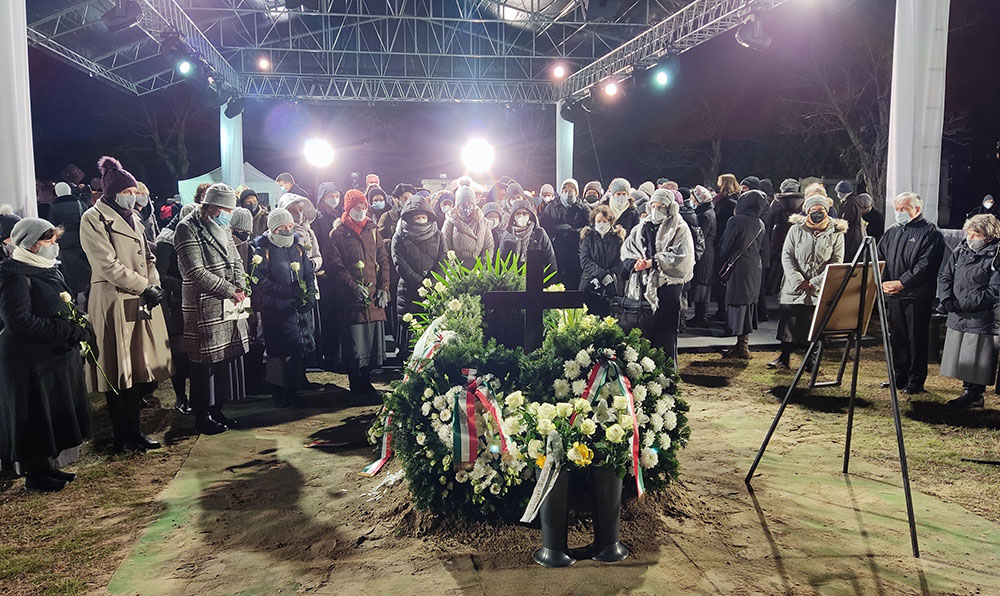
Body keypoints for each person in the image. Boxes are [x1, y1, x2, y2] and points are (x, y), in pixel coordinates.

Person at [80, 156, 172, 452]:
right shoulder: (92, 219)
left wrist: (152, 283)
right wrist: (144, 285)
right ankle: (123, 435)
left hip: (139, 299)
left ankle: (135, 431)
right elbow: (107, 264)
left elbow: (149, 256)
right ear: (112, 192)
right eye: (128, 192)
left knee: (139, 370)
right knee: (119, 372)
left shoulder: (134, 219)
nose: (132, 197)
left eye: (134, 193)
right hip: (114, 300)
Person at [0, 218, 91, 492]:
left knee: (50, 412)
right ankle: (36, 475)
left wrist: (78, 324)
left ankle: (49, 468)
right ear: (30, 244)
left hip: (50, 357)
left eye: (55, 239)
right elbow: (19, 322)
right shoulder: (14, 275)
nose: (54, 246)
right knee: (35, 414)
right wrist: (63, 329)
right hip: (28, 360)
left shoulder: (48, 268)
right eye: (47, 241)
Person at [174, 184, 249, 434]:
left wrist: (240, 284)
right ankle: (202, 414)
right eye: (226, 208)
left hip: (227, 304)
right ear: (213, 206)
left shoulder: (223, 226)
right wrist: (229, 289)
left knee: (222, 360)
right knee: (202, 364)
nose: (228, 213)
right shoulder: (187, 227)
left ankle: (217, 409)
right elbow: (194, 271)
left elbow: (236, 258)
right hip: (203, 305)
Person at [878, 192, 946, 394]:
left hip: (917, 295)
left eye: (904, 209)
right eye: (897, 209)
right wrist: (884, 282)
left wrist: (902, 282)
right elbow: (880, 257)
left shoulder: (930, 233)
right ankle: (899, 377)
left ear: (917, 209)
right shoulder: (892, 232)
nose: (899, 213)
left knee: (916, 338)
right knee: (897, 337)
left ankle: (916, 381)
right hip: (894, 295)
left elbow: (925, 266)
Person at [768, 195, 846, 370]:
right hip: (795, 286)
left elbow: (836, 261)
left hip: (819, 288)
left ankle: (811, 361)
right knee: (789, 323)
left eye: (821, 210)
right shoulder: (796, 229)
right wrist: (798, 279)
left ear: (827, 212)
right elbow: (787, 255)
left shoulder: (836, 232)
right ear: (807, 211)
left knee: (815, 326)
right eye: (813, 210)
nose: (817, 214)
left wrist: (815, 282)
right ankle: (784, 357)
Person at [325, 189, 391, 394]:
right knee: (355, 345)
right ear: (347, 209)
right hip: (351, 299)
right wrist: (353, 287)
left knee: (371, 344)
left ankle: (366, 381)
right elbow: (335, 265)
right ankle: (357, 385)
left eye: (363, 207)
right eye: (356, 208)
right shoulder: (338, 234)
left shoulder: (373, 231)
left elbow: (383, 261)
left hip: (373, 298)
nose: (360, 211)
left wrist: (384, 288)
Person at [620, 190, 695, 364]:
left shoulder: (680, 228)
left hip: (668, 287)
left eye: (661, 206)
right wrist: (635, 263)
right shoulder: (641, 228)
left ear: (670, 208)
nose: (656, 210)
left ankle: (666, 373)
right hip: (643, 287)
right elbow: (627, 251)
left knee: (665, 334)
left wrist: (654, 262)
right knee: (644, 332)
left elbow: (683, 256)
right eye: (653, 206)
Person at [252, 207, 316, 408]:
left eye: (290, 226)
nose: (288, 230)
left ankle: (294, 389)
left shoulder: (297, 247)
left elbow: (308, 273)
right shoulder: (264, 250)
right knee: (278, 352)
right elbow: (260, 280)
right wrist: (286, 291)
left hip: (296, 309)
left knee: (297, 350)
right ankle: (278, 391)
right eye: (282, 227)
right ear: (273, 228)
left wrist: (310, 295)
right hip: (275, 310)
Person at [938, 214, 1000, 408]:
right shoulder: (961, 249)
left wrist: (966, 303)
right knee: (961, 353)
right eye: (969, 233)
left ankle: (975, 394)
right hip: (958, 312)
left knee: (977, 354)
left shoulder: (996, 254)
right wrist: (947, 299)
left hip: (981, 315)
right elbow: (946, 275)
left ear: (988, 235)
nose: (971, 237)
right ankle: (966, 390)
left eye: (976, 233)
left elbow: (995, 289)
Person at [154, 203, 197, 414]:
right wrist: (185, 284)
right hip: (176, 303)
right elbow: (159, 276)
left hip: (195, 300)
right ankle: (181, 396)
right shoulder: (166, 242)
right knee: (179, 352)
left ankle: (198, 394)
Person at [392, 195, 446, 360]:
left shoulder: (437, 234)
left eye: (424, 217)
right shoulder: (400, 236)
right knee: (410, 328)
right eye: (417, 217)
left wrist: (433, 282)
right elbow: (399, 262)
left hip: (433, 290)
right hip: (408, 290)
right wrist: (419, 282)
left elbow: (443, 259)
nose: (421, 220)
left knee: (430, 329)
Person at [718, 190, 769, 359]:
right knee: (747, 305)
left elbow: (726, 244)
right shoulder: (760, 222)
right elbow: (764, 248)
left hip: (739, 267)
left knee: (738, 303)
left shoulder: (736, 220)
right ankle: (742, 344)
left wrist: (721, 260)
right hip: (754, 267)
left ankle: (741, 347)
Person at [48, 181, 92, 306]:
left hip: (65, 243)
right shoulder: (79, 203)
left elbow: (52, 225)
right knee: (85, 269)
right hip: (81, 240)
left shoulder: (54, 207)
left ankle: (72, 297)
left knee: (69, 272)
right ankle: (88, 292)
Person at [540, 178, 588, 287]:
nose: (568, 193)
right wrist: (558, 230)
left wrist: (574, 232)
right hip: (556, 251)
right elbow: (545, 228)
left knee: (574, 283)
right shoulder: (551, 207)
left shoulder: (583, 209)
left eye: (571, 190)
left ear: (576, 192)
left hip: (577, 252)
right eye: (565, 190)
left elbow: (589, 228)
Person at [579, 205, 625, 316]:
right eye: (598, 221)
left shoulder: (618, 239)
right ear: (593, 222)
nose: (602, 224)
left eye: (605, 221)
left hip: (612, 284)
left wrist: (610, 274)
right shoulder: (588, 237)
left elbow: (621, 260)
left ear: (610, 222)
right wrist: (601, 275)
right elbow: (585, 260)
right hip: (590, 281)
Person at [767, 179, 805, 293]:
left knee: (777, 260)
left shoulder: (777, 202)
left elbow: (770, 220)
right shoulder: (802, 201)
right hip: (797, 234)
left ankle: (773, 287)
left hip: (778, 234)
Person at [499, 199, 557, 274]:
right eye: (518, 213)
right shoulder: (507, 235)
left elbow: (550, 259)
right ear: (513, 216)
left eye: (525, 213)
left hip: (535, 279)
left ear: (530, 216)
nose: (521, 216)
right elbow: (501, 261)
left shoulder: (539, 233)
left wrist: (550, 282)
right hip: (512, 280)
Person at [712, 174, 742, 320]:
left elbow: (720, 222)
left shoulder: (726, 202)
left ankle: (722, 311)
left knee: (721, 277)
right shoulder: (736, 200)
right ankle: (722, 310)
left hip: (722, 241)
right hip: (727, 241)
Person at [687, 185, 717, 327]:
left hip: (705, 253)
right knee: (701, 283)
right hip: (706, 251)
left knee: (701, 283)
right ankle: (700, 314)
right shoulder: (707, 211)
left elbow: (701, 236)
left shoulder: (705, 215)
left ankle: (701, 315)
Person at [443, 186, 494, 268]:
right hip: (457, 267)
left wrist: (483, 264)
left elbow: (488, 246)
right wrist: (453, 264)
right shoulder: (450, 221)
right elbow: (445, 245)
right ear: (457, 205)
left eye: (469, 202)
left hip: (477, 267)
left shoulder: (483, 222)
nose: (466, 205)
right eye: (463, 202)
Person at [836, 180, 865, 261]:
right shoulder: (854, 200)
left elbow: (847, 220)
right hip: (854, 234)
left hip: (851, 236)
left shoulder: (851, 203)